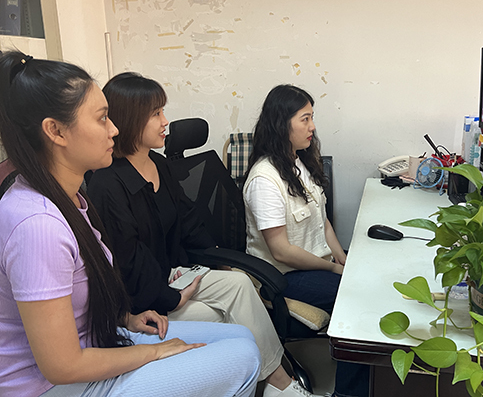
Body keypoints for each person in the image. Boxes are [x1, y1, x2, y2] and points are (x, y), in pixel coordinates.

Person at [0, 51, 261, 397]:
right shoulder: (37, 224)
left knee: (242, 337)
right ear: (56, 131)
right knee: (243, 357)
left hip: (99, 341)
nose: (114, 129)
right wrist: (152, 353)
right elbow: (62, 366)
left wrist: (125, 319)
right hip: (51, 386)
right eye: (102, 118)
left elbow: (79, 300)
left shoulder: (72, 199)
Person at [87, 72, 322, 397]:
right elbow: (128, 260)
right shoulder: (107, 183)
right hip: (142, 298)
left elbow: (189, 221)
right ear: (130, 119)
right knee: (224, 316)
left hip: (171, 275)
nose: (165, 122)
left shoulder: (159, 165)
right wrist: (171, 297)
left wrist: (220, 261)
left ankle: (275, 381)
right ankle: (278, 383)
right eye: (156, 114)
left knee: (239, 283)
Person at [243, 84, 369, 397]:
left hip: (314, 263)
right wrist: (334, 270)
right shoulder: (265, 179)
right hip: (283, 276)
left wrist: (342, 258)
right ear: (282, 124)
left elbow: (321, 220)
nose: (312, 127)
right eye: (305, 119)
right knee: (359, 298)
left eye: (312, 117)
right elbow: (281, 251)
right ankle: (348, 392)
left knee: (370, 273)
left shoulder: (298, 162)